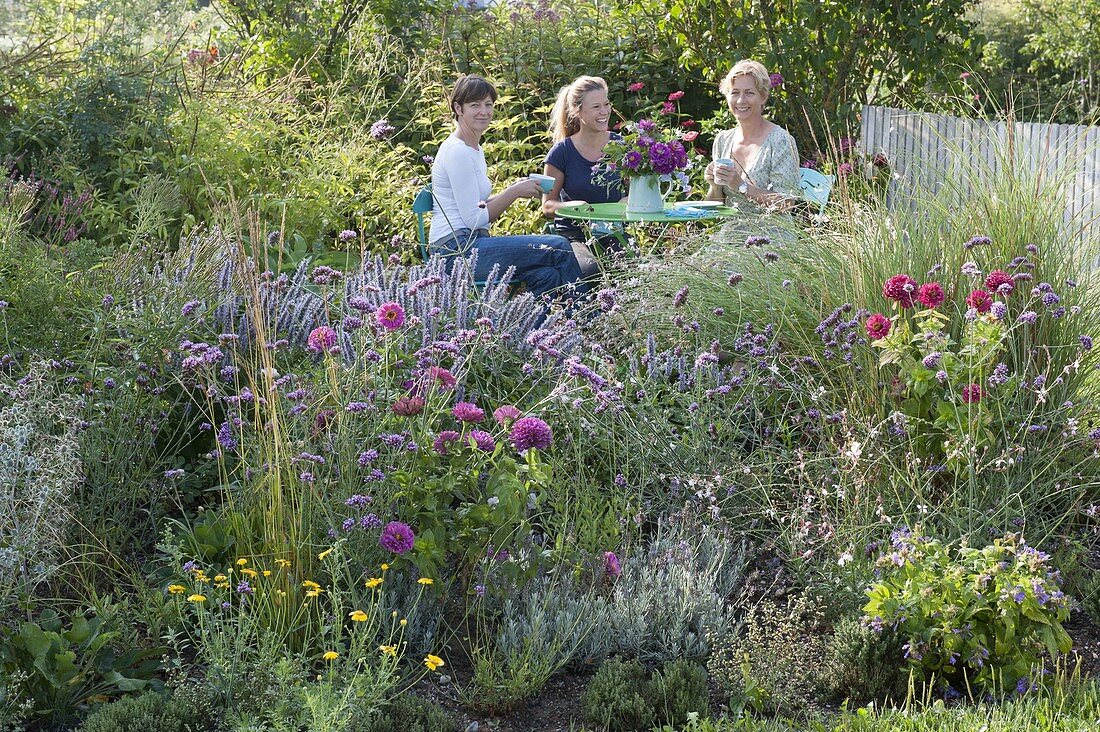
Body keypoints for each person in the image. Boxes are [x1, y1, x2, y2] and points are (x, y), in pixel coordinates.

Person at [428, 74, 584, 299]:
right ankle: (591, 321)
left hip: (471, 244)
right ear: (458, 109)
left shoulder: (473, 149)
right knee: (558, 246)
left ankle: (532, 332)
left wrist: (517, 188)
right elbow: (474, 219)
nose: (484, 111)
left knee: (547, 274)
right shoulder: (457, 151)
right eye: (475, 105)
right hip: (455, 252)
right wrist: (514, 192)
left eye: (488, 104)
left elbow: (475, 208)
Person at [703, 60, 800, 243]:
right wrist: (714, 185)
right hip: (730, 239)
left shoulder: (780, 141)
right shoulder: (723, 140)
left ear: (763, 97)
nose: (741, 100)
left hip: (771, 241)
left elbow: (786, 204)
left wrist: (741, 185)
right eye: (735, 93)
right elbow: (716, 207)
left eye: (749, 93)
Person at [542, 76, 624, 275]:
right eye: (596, 107)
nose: (604, 112)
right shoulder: (561, 153)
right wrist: (572, 206)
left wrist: (631, 201)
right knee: (589, 269)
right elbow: (547, 205)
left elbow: (636, 191)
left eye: (606, 104)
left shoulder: (622, 146)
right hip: (574, 237)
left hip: (613, 233)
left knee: (634, 268)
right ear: (578, 111)